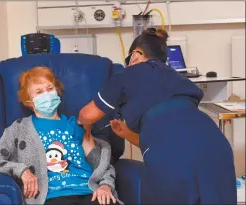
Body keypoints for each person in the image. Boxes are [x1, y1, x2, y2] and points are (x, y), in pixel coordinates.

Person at [78, 28, 237, 204]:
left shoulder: (128, 73)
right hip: (216, 146)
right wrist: (127, 134)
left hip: (173, 158)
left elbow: (88, 114)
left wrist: (76, 123)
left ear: (135, 55)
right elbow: (175, 136)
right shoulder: (177, 77)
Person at [0, 66, 121, 205]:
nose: (47, 95)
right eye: (39, 92)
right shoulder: (19, 128)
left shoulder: (76, 125)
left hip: (90, 192)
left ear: (57, 91)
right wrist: (22, 171)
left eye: (50, 89)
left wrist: (105, 186)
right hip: (54, 196)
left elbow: (102, 164)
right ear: (28, 100)